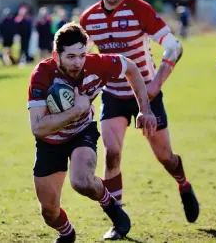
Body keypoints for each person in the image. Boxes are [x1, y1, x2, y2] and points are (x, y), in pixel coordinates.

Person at [78, 0, 200, 231]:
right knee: (111, 154)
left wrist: (155, 85)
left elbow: (174, 47)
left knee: (165, 157)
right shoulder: (89, 18)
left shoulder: (138, 10)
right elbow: (79, 59)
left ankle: (183, 184)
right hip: (113, 96)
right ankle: (117, 220)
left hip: (147, 95)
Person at [28, 22, 158, 242]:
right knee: (49, 212)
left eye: (81, 55)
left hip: (82, 131)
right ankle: (67, 232)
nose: (78, 62)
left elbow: (132, 69)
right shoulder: (42, 74)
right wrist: (77, 109)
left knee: (82, 181)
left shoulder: (99, 64)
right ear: (56, 55)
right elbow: (38, 128)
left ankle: (111, 206)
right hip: (50, 140)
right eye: (70, 57)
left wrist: (145, 110)